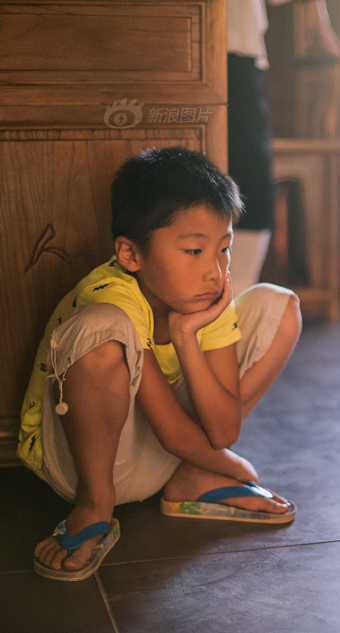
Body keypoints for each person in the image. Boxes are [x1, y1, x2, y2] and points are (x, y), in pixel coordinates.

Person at [17, 146, 302, 582]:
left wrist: (187, 335)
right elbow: (175, 434)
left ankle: (192, 477)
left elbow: (224, 431)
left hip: (167, 454)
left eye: (223, 249)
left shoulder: (207, 294)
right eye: (193, 251)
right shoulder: (113, 294)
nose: (215, 270)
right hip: (82, 461)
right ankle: (94, 506)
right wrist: (231, 466)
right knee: (101, 328)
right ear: (131, 255)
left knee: (278, 305)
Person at [227, 0, 340, 296]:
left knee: (251, 175)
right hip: (213, 42)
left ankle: (239, 290)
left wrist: (317, 14)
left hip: (239, 46)